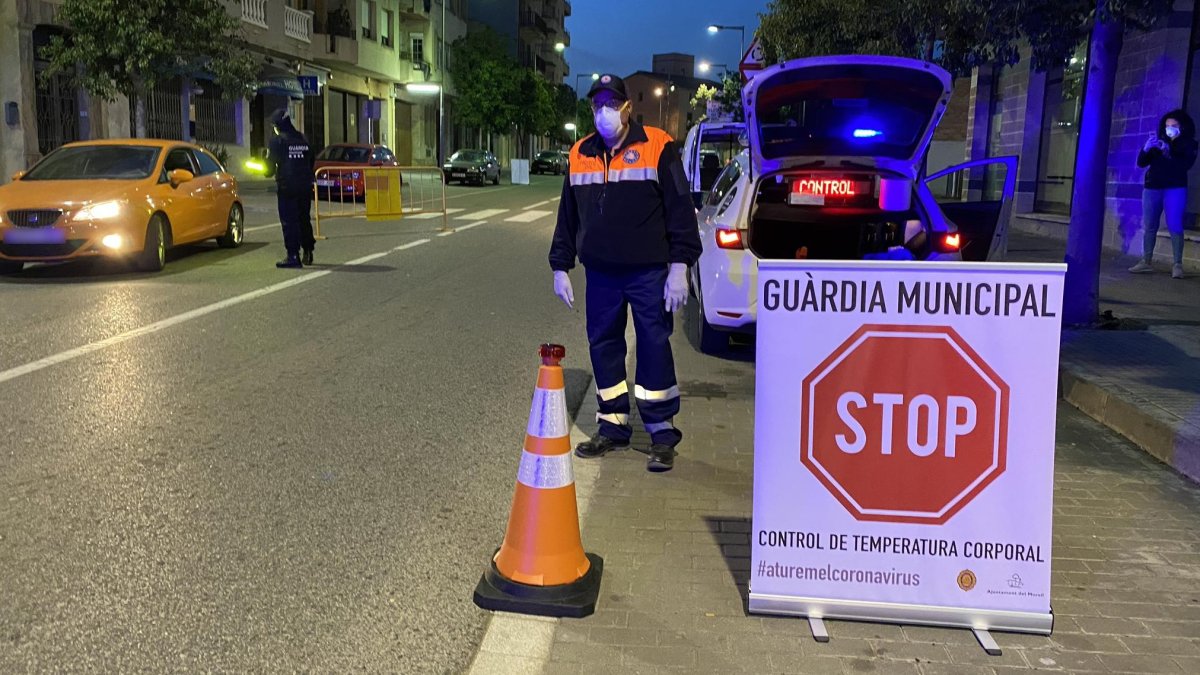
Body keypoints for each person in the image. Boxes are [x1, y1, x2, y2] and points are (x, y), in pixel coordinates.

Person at [548, 74, 702, 473]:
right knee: (603, 345)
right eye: (597, 105)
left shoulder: (657, 147)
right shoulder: (579, 153)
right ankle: (613, 425)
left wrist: (679, 267)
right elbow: (568, 216)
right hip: (600, 273)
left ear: (626, 107)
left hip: (648, 272)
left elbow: (680, 209)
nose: (604, 112)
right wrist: (560, 265)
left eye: (610, 104)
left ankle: (661, 433)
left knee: (653, 343)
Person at [1131, 109, 1196, 279]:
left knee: (1175, 225)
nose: (1169, 129)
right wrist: (1146, 149)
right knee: (1150, 225)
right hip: (1152, 188)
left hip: (1175, 188)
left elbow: (1184, 165)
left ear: (1182, 127)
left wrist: (1168, 150)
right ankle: (1146, 261)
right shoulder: (1158, 142)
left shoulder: (1189, 144)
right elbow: (1141, 163)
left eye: (1174, 126)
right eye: (1167, 125)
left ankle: (1177, 265)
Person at [264, 109, 316, 269]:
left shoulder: (277, 141)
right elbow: (311, 160)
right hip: (305, 185)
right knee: (303, 218)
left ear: (277, 126)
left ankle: (293, 255)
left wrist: (265, 163)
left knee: (289, 221)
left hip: (287, 187)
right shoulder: (302, 138)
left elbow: (269, 170)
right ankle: (308, 250)